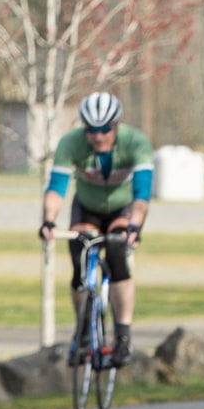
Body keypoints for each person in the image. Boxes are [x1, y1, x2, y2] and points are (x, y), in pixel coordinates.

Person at [39, 92, 152, 367]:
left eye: (104, 130)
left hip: (122, 209)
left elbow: (142, 194)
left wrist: (135, 226)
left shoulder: (135, 143)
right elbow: (56, 188)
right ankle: (83, 332)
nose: (98, 136)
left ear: (116, 126)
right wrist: (48, 220)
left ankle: (123, 336)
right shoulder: (71, 143)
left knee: (117, 254)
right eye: (91, 130)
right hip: (87, 208)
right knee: (79, 259)